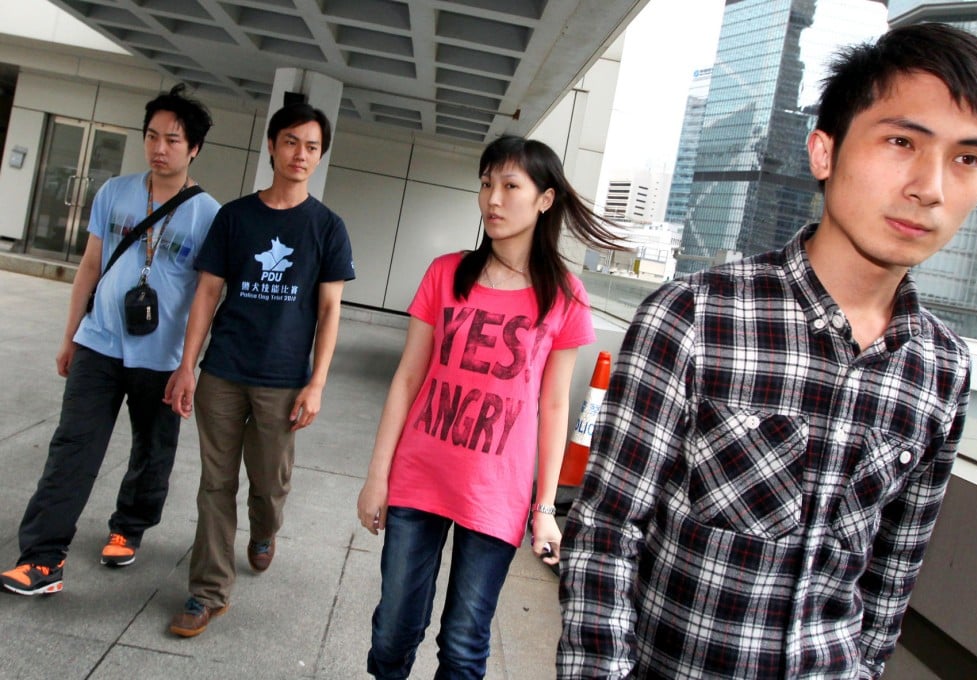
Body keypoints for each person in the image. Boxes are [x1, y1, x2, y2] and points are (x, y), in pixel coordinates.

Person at [558, 22, 977, 679]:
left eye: (968, 159)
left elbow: (892, 573)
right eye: (901, 142)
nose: (931, 187)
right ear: (824, 152)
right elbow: (606, 536)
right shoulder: (696, 316)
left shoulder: (940, 368)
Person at [356, 135, 621, 678]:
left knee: (463, 644)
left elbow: (553, 408)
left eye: (509, 186)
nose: (492, 199)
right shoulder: (446, 273)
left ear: (544, 200)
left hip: (495, 491)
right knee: (392, 633)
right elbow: (408, 379)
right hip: (418, 476)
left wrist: (544, 509)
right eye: (485, 184)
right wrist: (377, 476)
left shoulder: (564, 296)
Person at [0, 85, 219, 596]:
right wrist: (70, 335)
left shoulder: (209, 215)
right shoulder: (114, 192)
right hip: (99, 343)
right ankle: (42, 558)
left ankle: (129, 526)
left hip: (161, 356)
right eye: (151, 136)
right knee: (72, 446)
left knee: (152, 447)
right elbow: (90, 267)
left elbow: (208, 295)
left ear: (194, 149)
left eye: (171, 139)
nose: (158, 148)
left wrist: (189, 365)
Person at [164, 101, 355, 637]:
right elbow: (207, 291)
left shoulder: (327, 227)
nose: (301, 154)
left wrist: (317, 383)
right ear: (271, 146)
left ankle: (265, 531)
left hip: (284, 380)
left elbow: (329, 310)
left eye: (312, 147)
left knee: (268, 486)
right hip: (224, 370)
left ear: (320, 157)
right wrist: (187, 366)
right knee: (214, 485)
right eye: (291, 141)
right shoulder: (236, 217)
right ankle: (208, 592)